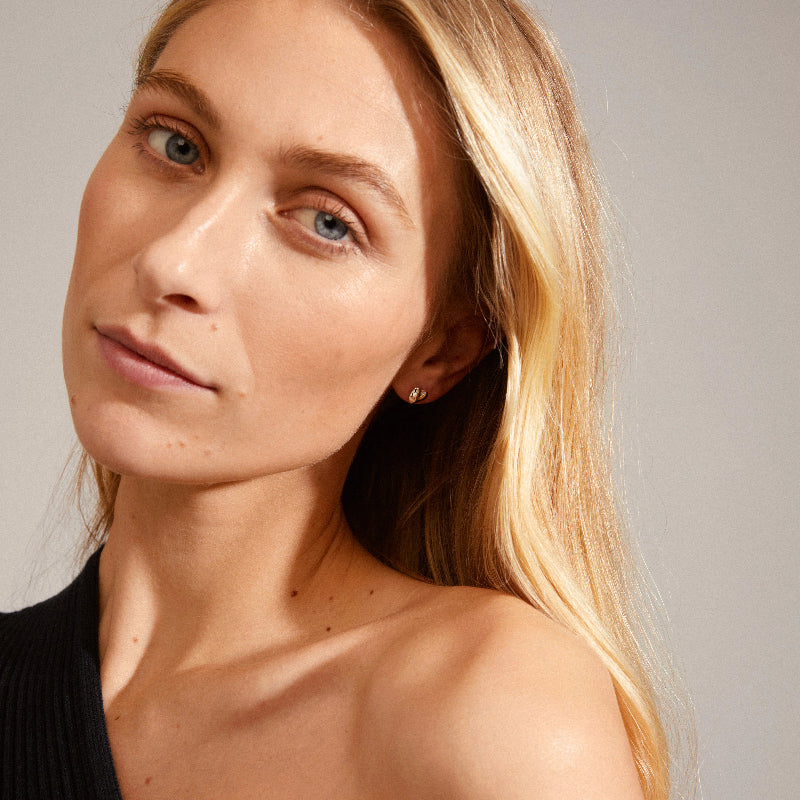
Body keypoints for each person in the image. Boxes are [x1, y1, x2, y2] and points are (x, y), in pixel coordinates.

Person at [0, 0, 684, 798]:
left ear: (444, 348)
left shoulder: (489, 710)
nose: (174, 262)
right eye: (175, 144)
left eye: (328, 221)